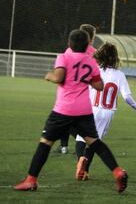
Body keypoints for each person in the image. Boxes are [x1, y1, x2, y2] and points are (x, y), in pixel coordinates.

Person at [14, 30, 128, 193]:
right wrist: (85, 78)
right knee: (95, 142)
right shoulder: (90, 62)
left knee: (45, 143)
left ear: (69, 44)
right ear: (87, 45)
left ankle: (31, 180)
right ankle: (117, 171)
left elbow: (58, 77)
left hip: (64, 109)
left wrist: (48, 75)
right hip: (84, 110)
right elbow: (99, 86)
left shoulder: (64, 57)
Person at [74, 43, 136, 181]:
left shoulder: (94, 70)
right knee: (94, 142)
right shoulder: (120, 75)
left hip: (91, 109)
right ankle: (85, 171)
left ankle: (81, 159)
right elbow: (127, 96)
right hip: (107, 113)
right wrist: (135, 106)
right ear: (114, 58)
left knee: (81, 138)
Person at [57, 24, 98, 154]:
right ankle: (83, 142)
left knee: (65, 119)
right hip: (88, 93)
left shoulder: (70, 50)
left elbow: (63, 70)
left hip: (68, 92)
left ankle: (65, 146)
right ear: (90, 37)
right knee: (78, 122)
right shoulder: (95, 53)